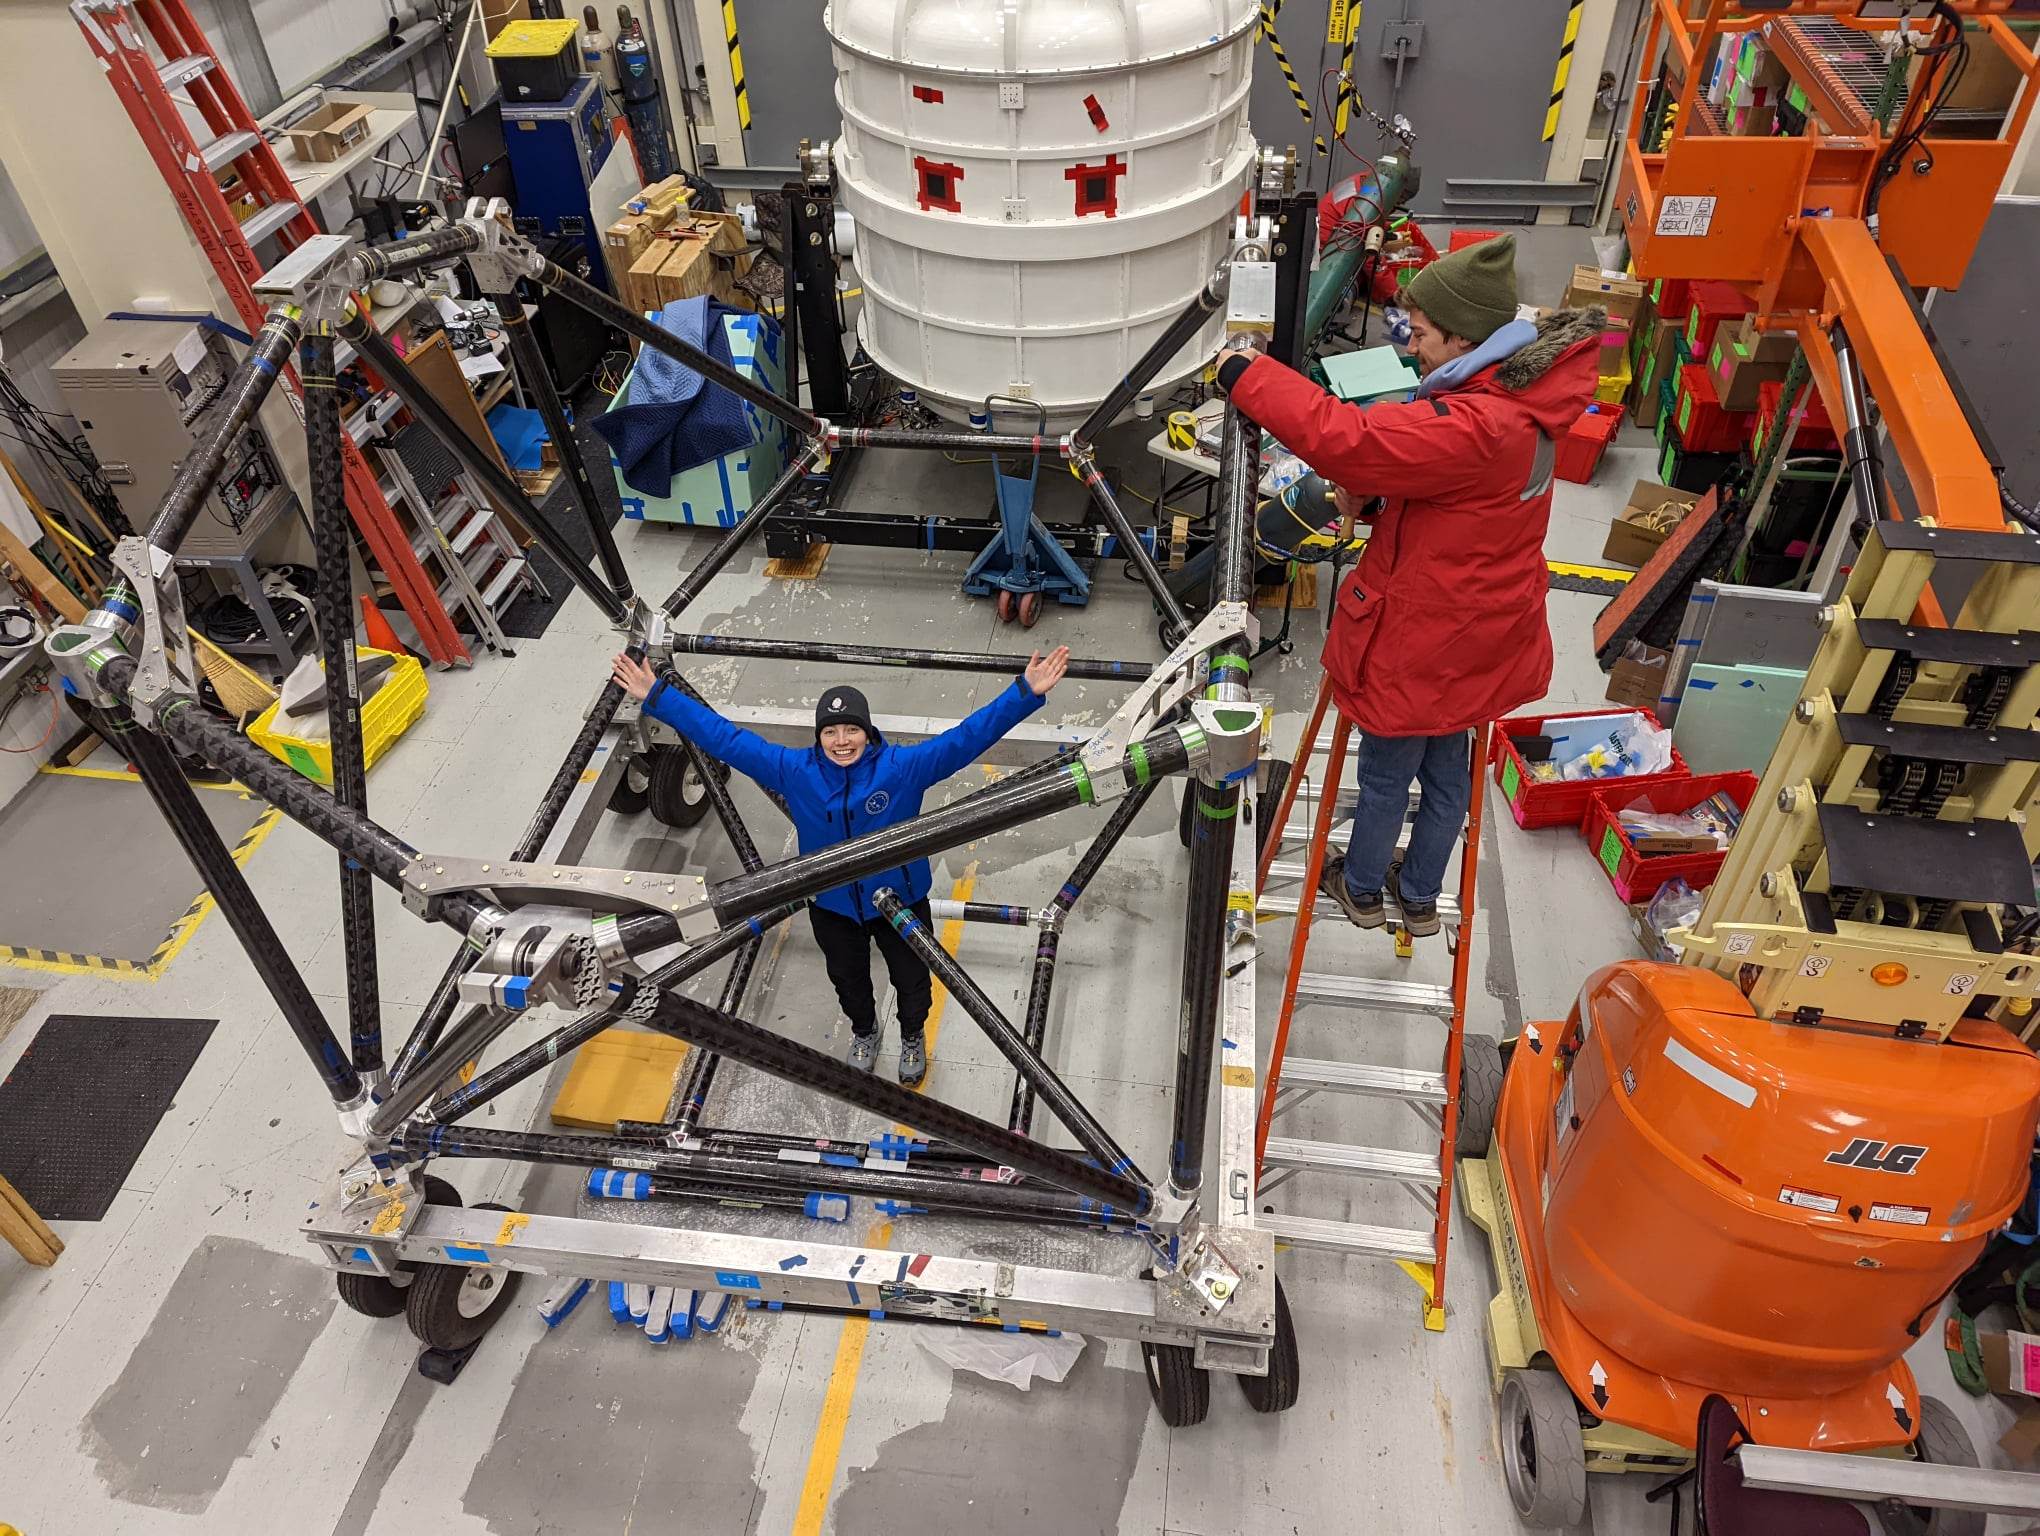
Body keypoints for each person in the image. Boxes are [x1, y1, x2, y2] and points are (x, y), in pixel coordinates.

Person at [1211, 234, 1602, 935]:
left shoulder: (1475, 425)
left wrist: (1246, 374)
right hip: (1485, 636)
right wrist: (1389, 500)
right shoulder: (1531, 407)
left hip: (1426, 642)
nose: (1412, 348)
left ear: (1462, 337)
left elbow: (1349, 439)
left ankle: (1359, 887)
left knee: (1389, 773)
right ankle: (1419, 896)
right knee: (1448, 775)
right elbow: (1469, 506)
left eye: (1421, 335)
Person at [610, 646, 1072, 1083]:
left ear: (867, 733)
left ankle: (912, 1035)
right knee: (847, 979)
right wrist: (657, 696)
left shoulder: (901, 769)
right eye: (830, 732)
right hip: (833, 906)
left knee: (912, 981)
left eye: (851, 730)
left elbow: (965, 740)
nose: (841, 740)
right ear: (819, 737)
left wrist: (1024, 693)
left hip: (901, 901)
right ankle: (865, 1031)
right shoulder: (795, 771)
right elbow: (725, 738)